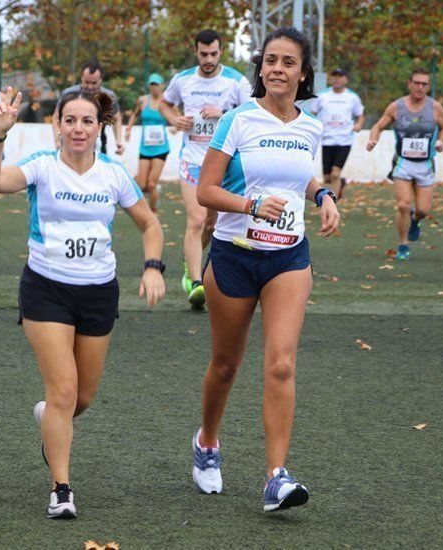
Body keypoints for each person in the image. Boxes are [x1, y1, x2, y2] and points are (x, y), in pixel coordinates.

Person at [0, 87, 165, 519]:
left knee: (81, 396)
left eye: (87, 121)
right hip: (47, 289)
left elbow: (149, 223)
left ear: (100, 127)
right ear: (56, 126)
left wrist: (153, 265)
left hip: (99, 292)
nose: (78, 128)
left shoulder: (114, 175)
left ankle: (50, 417)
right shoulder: (41, 168)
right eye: (70, 120)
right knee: (63, 389)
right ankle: (61, 489)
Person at [192, 25, 340, 513]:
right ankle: (207, 443)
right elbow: (206, 191)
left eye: (288, 62)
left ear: (303, 72)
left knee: (281, 362)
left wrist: (322, 195)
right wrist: (252, 206)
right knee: (226, 365)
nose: (277, 69)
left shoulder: (311, 126)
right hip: (234, 254)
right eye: (270, 61)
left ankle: (276, 477)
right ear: (261, 68)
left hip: (289, 257)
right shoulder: (237, 119)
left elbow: (296, 172)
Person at [159, 29, 251, 308]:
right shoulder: (183, 79)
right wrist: (175, 119)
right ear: (196, 51)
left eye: (213, 54)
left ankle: (191, 264)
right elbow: (165, 103)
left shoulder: (236, 81)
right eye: (203, 54)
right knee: (197, 220)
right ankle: (197, 282)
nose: (208, 59)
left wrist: (223, 115)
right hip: (191, 160)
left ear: (221, 51)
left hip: (221, 163)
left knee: (212, 223)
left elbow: (252, 114)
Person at [367, 67, 443, 261]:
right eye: (417, 83)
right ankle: (403, 244)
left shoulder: (435, 107)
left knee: (422, 210)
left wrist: (441, 142)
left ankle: (416, 220)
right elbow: (378, 125)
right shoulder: (397, 107)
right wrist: (373, 139)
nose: (420, 87)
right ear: (409, 84)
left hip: (425, 164)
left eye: (424, 84)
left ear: (428, 86)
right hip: (403, 162)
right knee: (403, 204)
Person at [310, 67, 364, 199]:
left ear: (345, 79)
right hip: (327, 140)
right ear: (330, 79)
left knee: (335, 173)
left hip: (344, 140)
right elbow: (312, 113)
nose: (336, 79)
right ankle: (341, 183)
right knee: (327, 178)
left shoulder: (352, 97)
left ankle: (332, 201)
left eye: (340, 76)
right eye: (334, 76)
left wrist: (358, 125)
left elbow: (360, 115)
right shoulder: (322, 96)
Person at [52, 60, 124, 156]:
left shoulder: (108, 96)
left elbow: (117, 119)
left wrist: (118, 141)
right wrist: (57, 139)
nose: (90, 87)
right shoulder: (69, 94)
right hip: (70, 144)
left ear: (101, 79)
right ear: (81, 77)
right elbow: (56, 117)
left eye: (94, 83)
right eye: (87, 82)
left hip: (98, 145)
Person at [125, 73, 170, 211]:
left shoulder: (168, 101)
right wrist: (128, 129)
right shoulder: (143, 100)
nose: (154, 87)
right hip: (145, 147)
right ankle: (154, 191)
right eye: (152, 84)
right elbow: (135, 115)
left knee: (151, 184)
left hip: (161, 148)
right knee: (141, 185)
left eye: (156, 84)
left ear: (162, 86)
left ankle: (152, 214)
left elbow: (177, 116)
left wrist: (176, 128)